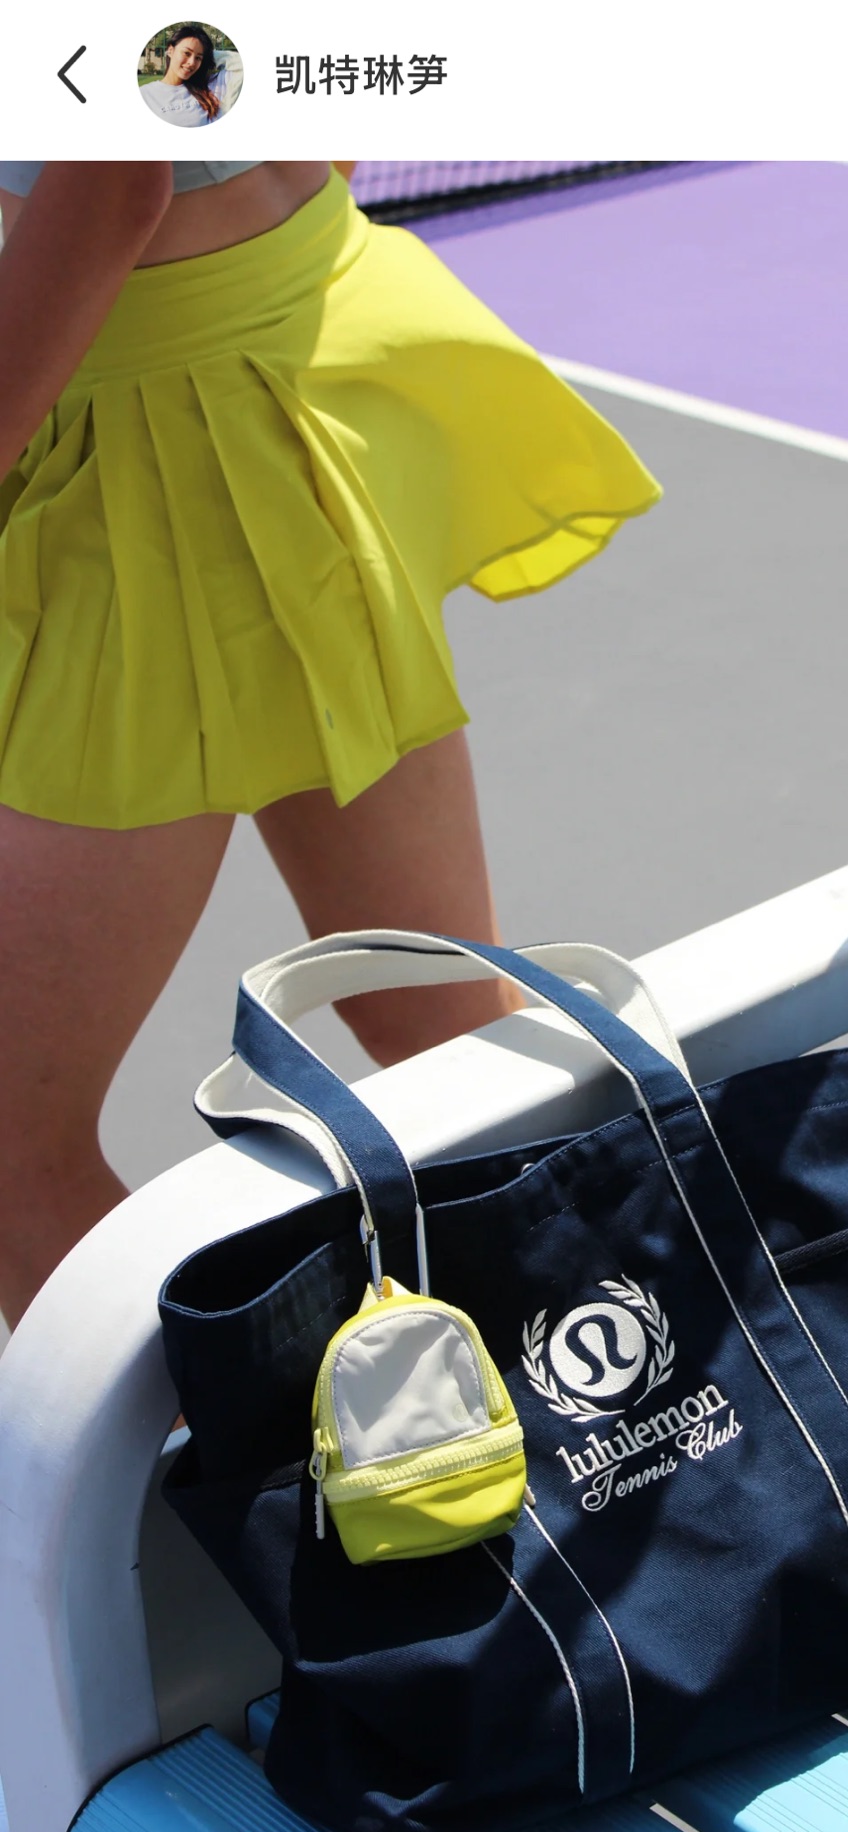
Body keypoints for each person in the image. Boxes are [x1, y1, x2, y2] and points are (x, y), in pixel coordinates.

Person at [0, 162, 661, 1325]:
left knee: (10, 1151)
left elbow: (115, 176)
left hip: (163, 445)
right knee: (443, 1032)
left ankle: (229, 1459)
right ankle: (644, 1390)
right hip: (270, 363)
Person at [140, 24, 224, 124]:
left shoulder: (210, 87)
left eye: (198, 58)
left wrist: (211, 56)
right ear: (170, 51)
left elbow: (238, 66)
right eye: (187, 53)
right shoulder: (145, 94)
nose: (192, 62)